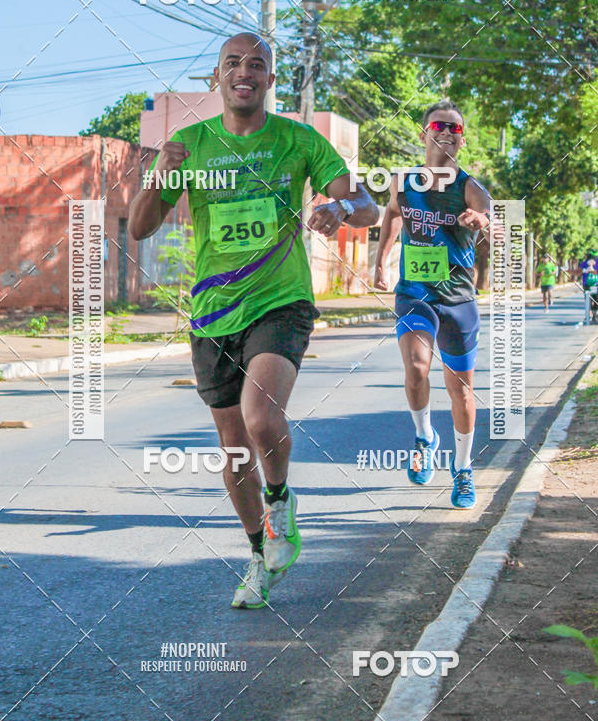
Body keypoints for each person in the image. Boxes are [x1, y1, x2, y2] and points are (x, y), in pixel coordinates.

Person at [129, 32, 379, 609]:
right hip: (214, 311)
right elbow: (140, 227)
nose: (245, 71)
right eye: (233, 63)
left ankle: (282, 501)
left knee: (261, 415)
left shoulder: (298, 140)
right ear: (217, 79)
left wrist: (339, 208)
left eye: (258, 64)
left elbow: (364, 204)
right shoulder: (189, 145)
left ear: (270, 80)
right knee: (235, 449)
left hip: (280, 300)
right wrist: (160, 174)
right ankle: (258, 555)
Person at [374, 99, 491, 510]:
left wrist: (481, 221)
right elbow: (391, 215)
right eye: (439, 125)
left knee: (461, 391)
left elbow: (489, 214)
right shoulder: (403, 182)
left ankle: (462, 470)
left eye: (455, 129)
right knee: (417, 367)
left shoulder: (469, 187)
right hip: (414, 294)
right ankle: (424, 436)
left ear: (462, 139)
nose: (446, 132)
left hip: (458, 299)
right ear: (424, 133)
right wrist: (381, 263)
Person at [579, 251, 598, 322]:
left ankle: (593, 313)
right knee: (588, 299)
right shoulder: (584, 263)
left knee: (594, 299)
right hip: (587, 284)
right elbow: (580, 272)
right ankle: (589, 314)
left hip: (595, 284)